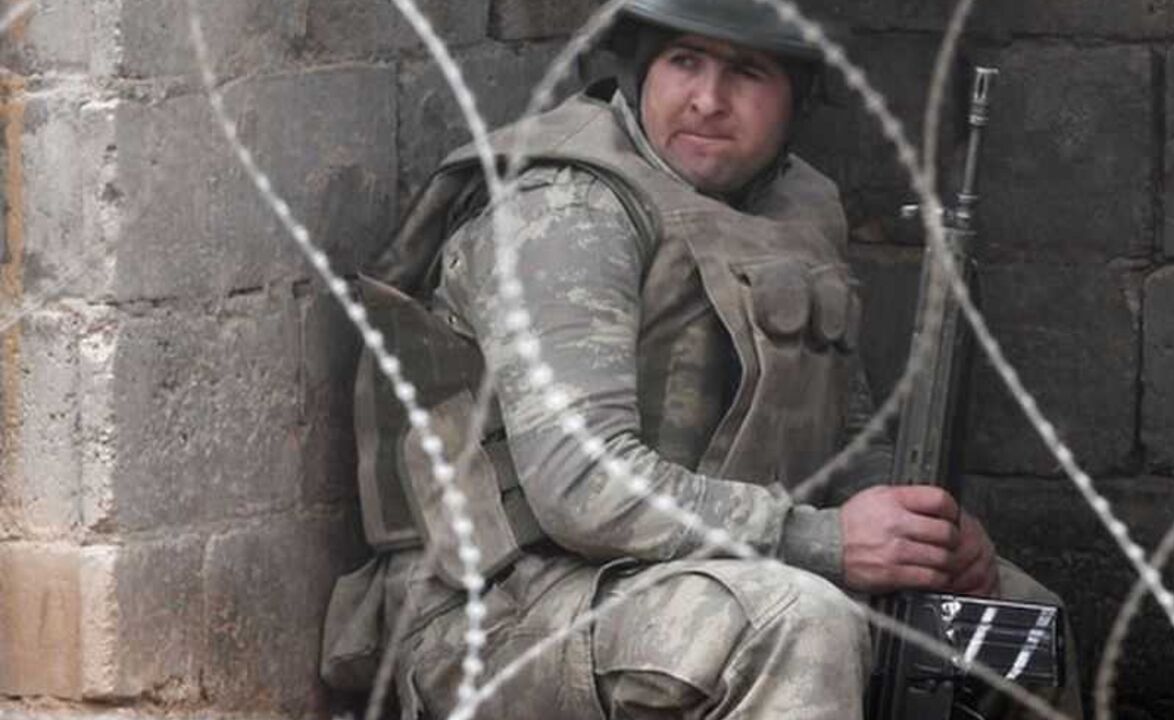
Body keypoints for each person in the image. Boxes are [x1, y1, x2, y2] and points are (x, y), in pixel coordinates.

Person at [323, 1, 1084, 718]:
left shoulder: (798, 205)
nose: (708, 100)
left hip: (700, 576)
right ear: (642, 70)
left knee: (1010, 623)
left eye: (747, 72)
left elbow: (843, 434)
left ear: (797, 96)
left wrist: (920, 533)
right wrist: (825, 542)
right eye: (685, 60)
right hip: (509, 608)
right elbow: (581, 485)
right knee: (797, 619)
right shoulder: (568, 208)